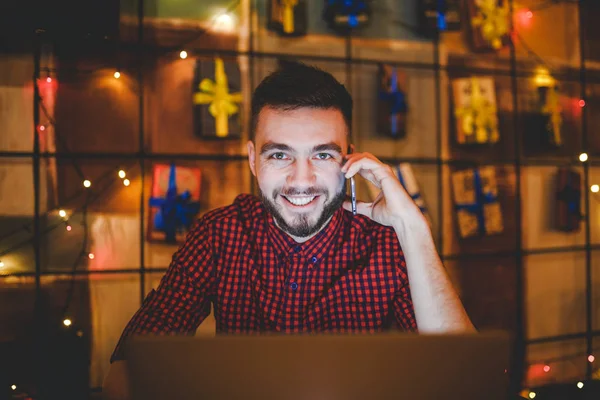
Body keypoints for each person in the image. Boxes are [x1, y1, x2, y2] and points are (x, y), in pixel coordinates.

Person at [102, 61, 474, 399]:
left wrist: (414, 229)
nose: (302, 180)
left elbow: (465, 379)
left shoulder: (384, 243)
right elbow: (126, 373)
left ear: (351, 158)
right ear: (252, 159)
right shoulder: (219, 234)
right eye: (280, 155)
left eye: (322, 154)